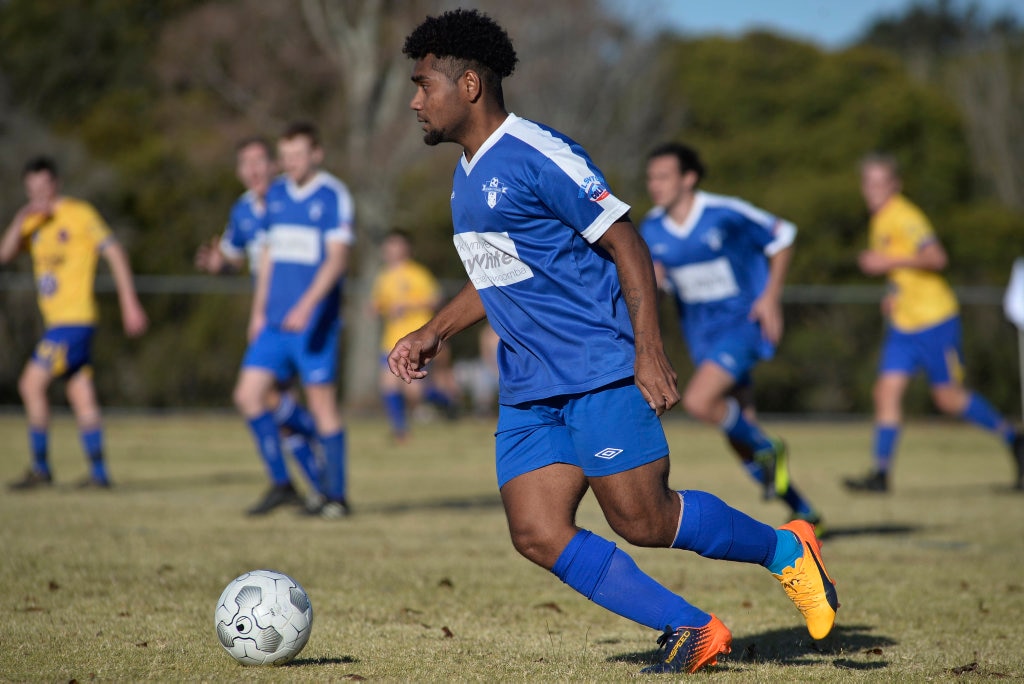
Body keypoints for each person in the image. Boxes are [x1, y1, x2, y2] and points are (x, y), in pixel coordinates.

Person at [390, 9, 838, 675]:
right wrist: (433, 329)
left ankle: (786, 550)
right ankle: (695, 630)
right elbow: (498, 276)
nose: (415, 98)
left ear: (471, 87)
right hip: (529, 386)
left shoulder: (538, 155)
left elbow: (627, 241)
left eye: (425, 84)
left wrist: (648, 350)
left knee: (643, 520)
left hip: (595, 367)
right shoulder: (467, 173)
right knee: (537, 532)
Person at [641, 142, 824, 532]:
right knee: (740, 432)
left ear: (688, 179)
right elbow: (656, 277)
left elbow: (783, 235)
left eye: (663, 176)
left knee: (699, 401)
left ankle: (769, 448)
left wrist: (771, 297)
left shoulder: (724, 213)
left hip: (742, 326)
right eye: (650, 177)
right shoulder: (651, 228)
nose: (654, 184)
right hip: (701, 336)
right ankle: (805, 512)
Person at [844, 153, 1024, 492]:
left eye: (881, 183)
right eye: (868, 183)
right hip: (903, 323)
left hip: (934, 319)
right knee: (885, 392)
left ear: (895, 185)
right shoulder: (879, 220)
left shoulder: (905, 215)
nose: (874, 190)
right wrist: (893, 292)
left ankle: (1014, 439)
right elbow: (902, 272)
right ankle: (881, 474)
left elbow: (936, 256)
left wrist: (887, 261)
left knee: (948, 398)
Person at [1, 156, 148, 489]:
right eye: (31, 190)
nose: (38, 195)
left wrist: (130, 302)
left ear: (56, 184)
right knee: (81, 394)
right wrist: (20, 219)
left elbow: (115, 252)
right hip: (58, 322)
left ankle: (41, 469)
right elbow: (5, 254)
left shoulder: (79, 214)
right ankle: (99, 475)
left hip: (74, 321)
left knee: (30, 384)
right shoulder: (32, 222)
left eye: (43, 187)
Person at [195, 137, 325, 514]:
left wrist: (260, 314)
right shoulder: (243, 210)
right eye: (244, 164)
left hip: (297, 318)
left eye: (259, 162)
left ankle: (313, 464)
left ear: (274, 166)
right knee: (268, 402)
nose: (252, 170)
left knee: (259, 398)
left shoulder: (291, 200)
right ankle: (308, 486)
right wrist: (218, 264)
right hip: (271, 319)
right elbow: (237, 257)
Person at [232, 122, 354, 519]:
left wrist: (307, 305)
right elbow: (267, 257)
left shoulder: (333, 195)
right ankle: (283, 483)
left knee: (323, 406)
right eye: (284, 157)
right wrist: (258, 312)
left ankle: (336, 497)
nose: (290, 164)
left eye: (298, 155)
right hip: (273, 323)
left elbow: (337, 259)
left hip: (314, 323)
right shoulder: (277, 194)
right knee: (249, 396)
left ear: (316, 154)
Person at [369, 228, 453, 441]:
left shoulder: (417, 273)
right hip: (390, 340)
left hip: (416, 338)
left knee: (415, 393)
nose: (392, 249)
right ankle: (400, 431)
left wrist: (408, 305)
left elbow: (435, 299)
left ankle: (449, 402)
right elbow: (378, 302)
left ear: (406, 248)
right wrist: (375, 308)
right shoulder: (383, 277)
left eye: (397, 244)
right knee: (388, 384)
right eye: (389, 245)